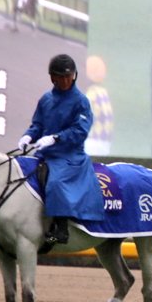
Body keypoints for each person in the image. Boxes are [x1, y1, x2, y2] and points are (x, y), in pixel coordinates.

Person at [17, 54, 105, 245]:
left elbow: (80, 131)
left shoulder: (81, 101)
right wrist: (28, 136)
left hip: (69, 156)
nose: (65, 81)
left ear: (74, 76)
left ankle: (62, 229)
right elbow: (38, 124)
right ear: (52, 78)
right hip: (45, 154)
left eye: (69, 76)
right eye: (61, 77)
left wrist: (56, 138)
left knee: (56, 182)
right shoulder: (45, 99)